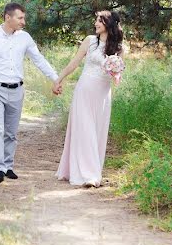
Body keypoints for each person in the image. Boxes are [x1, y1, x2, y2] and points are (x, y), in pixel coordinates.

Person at [0, 3, 61, 184]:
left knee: (11, 133)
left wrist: (55, 78)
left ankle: (7, 166)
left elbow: (39, 59)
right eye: (20, 18)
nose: (24, 21)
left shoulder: (25, 38)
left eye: (24, 18)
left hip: (17, 90)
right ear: (8, 17)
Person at [53, 10, 124, 187]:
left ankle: (92, 169)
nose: (96, 23)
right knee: (84, 130)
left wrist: (115, 71)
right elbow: (74, 63)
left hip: (102, 94)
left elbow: (118, 73)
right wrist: (58, 79)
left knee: (97, 131)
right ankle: (89, 174)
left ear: (109, 24)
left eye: (100, 21)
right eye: (96, 20)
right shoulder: (90, 41)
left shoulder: (119, 48)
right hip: (84, 90)